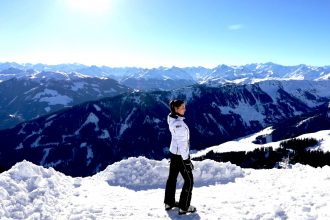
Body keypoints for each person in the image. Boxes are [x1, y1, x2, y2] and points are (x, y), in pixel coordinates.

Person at [164, 99, 196, 215]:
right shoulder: (179, 125)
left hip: (173, 153)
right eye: (182, 107)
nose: (185, 109)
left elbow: (170, 114)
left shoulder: (171, 118)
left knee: (172, 177)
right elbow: (183, 144)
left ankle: (169, 202)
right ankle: (184, 206)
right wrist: (187, 160)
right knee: (189, 180)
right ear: (176, 109)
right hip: (180, 156)